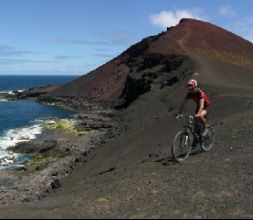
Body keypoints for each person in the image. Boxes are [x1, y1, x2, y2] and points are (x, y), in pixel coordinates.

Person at [176, 79, 211, 143]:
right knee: (195, 127)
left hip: (206, 107)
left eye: (191, 86)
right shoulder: (189, 94)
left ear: (195, 86)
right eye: (189, 86)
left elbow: (202, 105)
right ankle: (195, 141)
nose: (189, 88)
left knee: (199, 115)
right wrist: (179, 113)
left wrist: (198, 114)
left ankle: (205, 128)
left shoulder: (200, 93)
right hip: (199, 107)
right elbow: (183, 104)